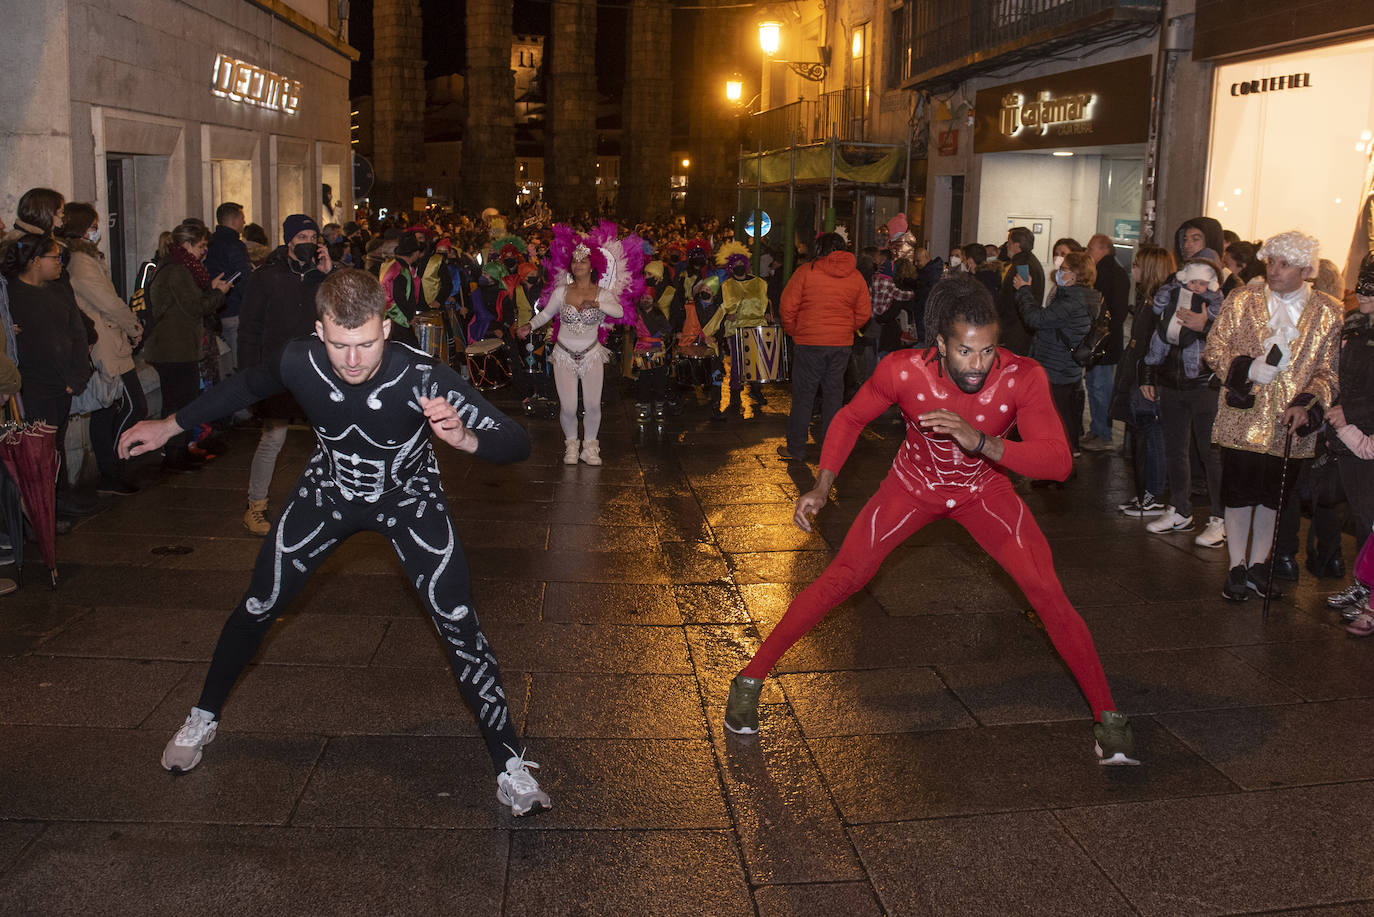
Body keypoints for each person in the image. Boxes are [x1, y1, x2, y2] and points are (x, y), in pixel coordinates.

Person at [117, 268, 551, 817]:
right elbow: (245, 385)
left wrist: (465, 438)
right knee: (258, 604)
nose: (353, 360)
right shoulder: (299, 359)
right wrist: (170, 425)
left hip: (408, 499)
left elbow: (515, 443)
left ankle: (509, 763)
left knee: (460, 623)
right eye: (341, 345)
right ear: (320, 330)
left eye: (366, 344)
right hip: (329, 493)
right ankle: (204, 714)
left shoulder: (422, 376)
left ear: (386, 330)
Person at [724, 276, 1137, 765]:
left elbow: (1058, 461)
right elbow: (851, 418)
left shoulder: (1022, 376)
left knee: (1047, 591)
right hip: (912, 487)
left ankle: (1109, 718)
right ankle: (749, 680)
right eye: (965, 351)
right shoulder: (903, 371)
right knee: (845, 577)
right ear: (940, 343)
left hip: (983, 491)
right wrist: (822, 483)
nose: (977, 365)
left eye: (987, 351)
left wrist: (982, 441)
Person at [1204, 231, 1342, 601]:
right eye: (1271, 262)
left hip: (1289, 424)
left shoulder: (1328, 311)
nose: (1274, 270)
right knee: (1238, 494)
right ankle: (1235, 566)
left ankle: (1258, 565)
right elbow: (1214, 348)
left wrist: (1308, 402)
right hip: (1243, 418)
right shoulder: (1241, 299)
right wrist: (1246, 370)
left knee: (1273, 497)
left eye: (1284, 264)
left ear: (1304, 269)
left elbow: (1329, 371)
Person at [236, 214, 333, 534]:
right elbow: (249, 327)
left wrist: (327, 276)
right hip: (275, 369)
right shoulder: (267, 276)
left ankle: (325, 504)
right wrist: (249, 372)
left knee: (326, 440)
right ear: (289, 239)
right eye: (302, 236)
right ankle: (256, 506)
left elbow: (336, 314)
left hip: (313, 368)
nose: (308, 241)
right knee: (273, 438)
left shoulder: (318, 276)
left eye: (313, 236)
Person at [55, 203, 146, 495]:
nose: (97, 231)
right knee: (134, 406)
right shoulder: (81, 262)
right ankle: (113, 468)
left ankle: (111, 471)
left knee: (106, 411)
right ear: (82, 228)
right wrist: (134, 326)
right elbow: (108, 301)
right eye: (94, 226)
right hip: (107, 346)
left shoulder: (85, 258)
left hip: (110, 342)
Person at [517, 231, 624, 466]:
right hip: (564, 355)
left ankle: (590, 447)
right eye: (574, 261)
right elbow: (545, 314)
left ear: (592, 265)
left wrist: (596, 303)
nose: (578, 265)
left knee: (593, 405)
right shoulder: (561, 292)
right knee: (568, 407)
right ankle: (572, 445)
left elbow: (619, 312)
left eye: (583, 261)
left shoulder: (602, 293)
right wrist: (529, 326)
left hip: (592, 355)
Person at [1142, 259, 1227, 547]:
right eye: (1192, 280)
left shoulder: (1218, 304)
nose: (1197, 286)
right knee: (1175, 450)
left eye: (1203, 282)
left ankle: (1220, 518)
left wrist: (1206, 326)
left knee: (1210, 454)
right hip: (1171, 382)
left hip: (1204, 384)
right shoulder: (1172, 294)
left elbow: (1231, 339)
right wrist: (1149, 375)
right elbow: (1154, 332)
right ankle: (1180, 509)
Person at [1, 233, 90, 502]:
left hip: (61, 383)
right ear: (36, 261)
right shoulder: (11, 294)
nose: (60, 263)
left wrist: (77, 377)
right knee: (36, 451)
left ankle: (58, 500)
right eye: (55, 257)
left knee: (56, 446)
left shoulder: (60, 289)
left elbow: (78, 333)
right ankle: (41, 509)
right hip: (31, 386)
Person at [140, 223, 232, 472]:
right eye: (201, 246)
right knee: (178, 403)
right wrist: (218, 293)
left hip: (177, 346)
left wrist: (210, 290)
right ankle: (174, 454)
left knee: (182, 401)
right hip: (173, 348)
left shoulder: (179, 267)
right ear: (187, 245)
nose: (204, 252)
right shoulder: (178, 270)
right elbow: (194, 307)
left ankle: (179, 450)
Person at [777, 232, 872, 462]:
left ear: (818, 249)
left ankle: (796, 448)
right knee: (833, 396)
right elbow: (864, 313)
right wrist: (846, 328)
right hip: (840, 345)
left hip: (809, 343)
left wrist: (795, 330)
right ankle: (831, 452)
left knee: (804, 396)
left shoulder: (806, 272)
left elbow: (787, 308)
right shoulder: (856, 276)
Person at [1015, 249, 1098, 459]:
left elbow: (1035, 319)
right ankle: (1058, 464)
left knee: (1058, 421)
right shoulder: (1079, 297)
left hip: (1057, 368)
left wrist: (1024, 290)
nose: (1060, 272)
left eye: (1065, 269)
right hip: (1064, 367)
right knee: (1063, 419)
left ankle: (1062, 466)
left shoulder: (1072, 301)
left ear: (1076, 274)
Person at [1113, 245, 1175, 516]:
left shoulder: (1159, 305)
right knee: (1143, 436)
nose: (1132, 269)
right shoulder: (1147, 301)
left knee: (1153, 438)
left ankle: (1153, 496)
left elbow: (1157, 347)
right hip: (1140, 376)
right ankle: (1145, 494)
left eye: (1137, 264)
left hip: (1148, 381)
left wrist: (1148, 379)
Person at [1081, 235, 1130, 452]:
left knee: (1100, 387)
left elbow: (1116, 312)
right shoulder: (1109, 271)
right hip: (1102, 340)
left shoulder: (1110, 274)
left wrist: (1101, 328)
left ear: (1103, 250)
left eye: (1090, 248)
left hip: (1104, 341)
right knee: (1094, 385)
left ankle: (1104, 433)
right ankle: (1097, 428)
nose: (1088, 252)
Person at [204, 202, 253, 376]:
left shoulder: (209, 243)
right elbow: (244, 278)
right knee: (239, 363)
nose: (244, 222)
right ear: (233, 220)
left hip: (215, 308)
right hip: (234, 308)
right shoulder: (234, 244)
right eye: (242, 218)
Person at [995, 226, 1044, 355]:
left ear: (1017, 245)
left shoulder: (1023, 266)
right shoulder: (1028, 261)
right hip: (1020, 329)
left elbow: (1023, 294)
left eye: (1009, 243)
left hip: (1016, 331)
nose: (1006, 247)